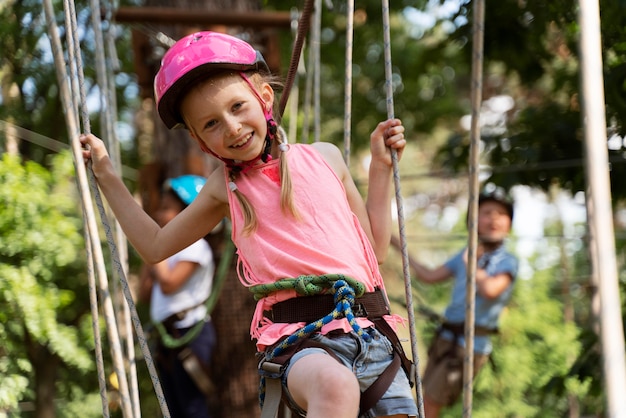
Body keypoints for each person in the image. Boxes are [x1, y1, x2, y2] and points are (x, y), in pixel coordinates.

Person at [81, 31, 416, 418]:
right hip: (302, 344)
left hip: (369, 335)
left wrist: (380, 170)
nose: (232, 127)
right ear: (198, 140)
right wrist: (106, 173)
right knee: (334, 385)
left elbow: (373, 251)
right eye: (211, 124)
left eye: (238, 107)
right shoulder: (225, 190)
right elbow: (154, 246)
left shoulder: (327, 158)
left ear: (265, 98)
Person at [409, 187, 518, 417]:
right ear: (474, 222)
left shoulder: (507, 261)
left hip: (469, 345)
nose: (494, 219)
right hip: (446, 339)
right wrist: (397, 244)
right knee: (420, 399)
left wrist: (472, 266)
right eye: (487, 213)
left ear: (509, 225)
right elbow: (429, 276)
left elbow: (490, 290)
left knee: (429, 404)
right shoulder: (466, 254)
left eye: (501, 214)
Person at [138, 175, 217, 418]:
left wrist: (153, 252)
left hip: (189, 334)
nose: (160, 215)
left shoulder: (196, 247)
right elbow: (144, 294)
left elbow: (170, 284)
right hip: (168, 336)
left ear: (187, 213)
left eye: (167, 209)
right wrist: (149, 255)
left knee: (193, 408)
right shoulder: (170, 251)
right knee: (173, 409)